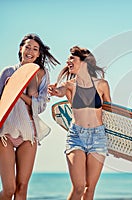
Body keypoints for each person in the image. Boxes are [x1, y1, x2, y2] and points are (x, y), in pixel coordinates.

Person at [0, 33, 60, 199]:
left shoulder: (41, 74)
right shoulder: (8, 72)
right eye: (28, 47)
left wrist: (18, 92)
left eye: (35, 49)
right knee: (9, 189)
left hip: (28, 134)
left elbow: (40, 106)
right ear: (21, 49)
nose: (30, 51)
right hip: (5, 133)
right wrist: (9, 88)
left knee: (22, 188)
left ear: (39, 53)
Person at [48, 46, 111, 200]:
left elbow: (111, 113)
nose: (67, 61)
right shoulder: (70, 85)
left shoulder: (102, 85)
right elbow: (60, 91)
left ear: (84, 62)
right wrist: (55, 91)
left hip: (98, 137)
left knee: (89, 189)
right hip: (76, 136)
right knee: (79, 187)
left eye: (72, 59)